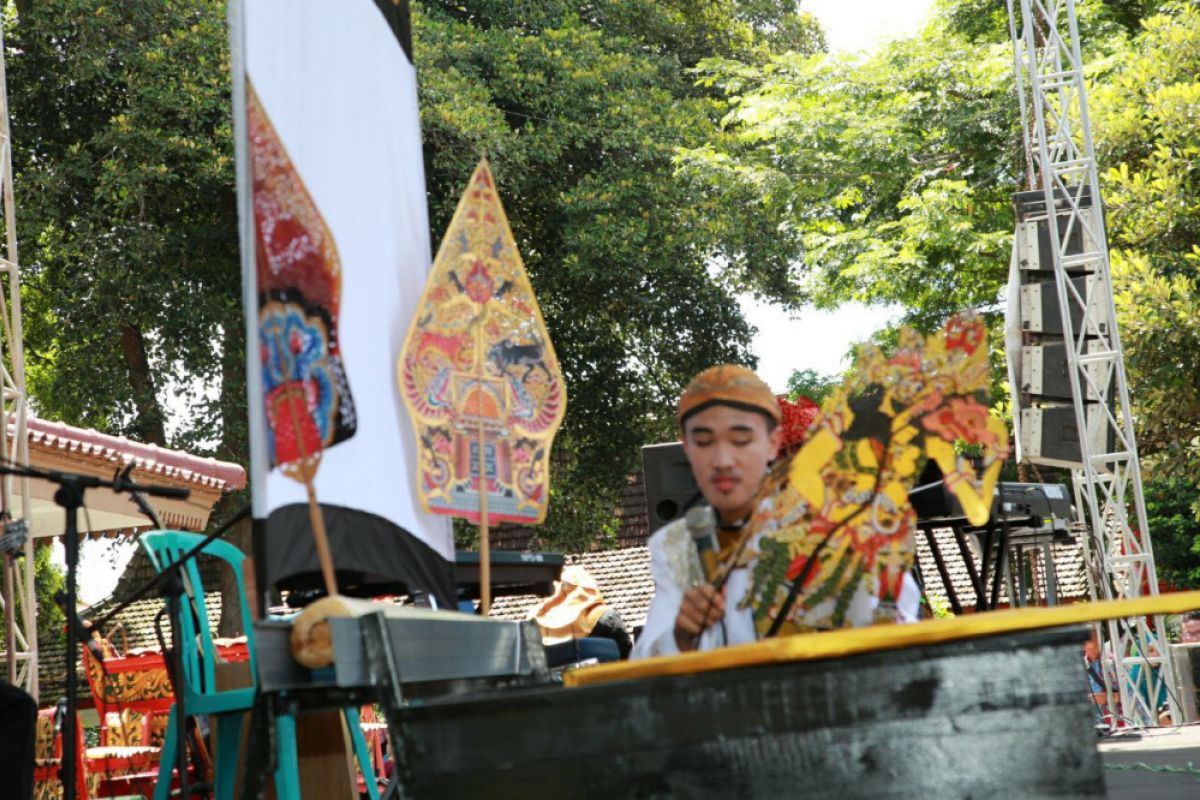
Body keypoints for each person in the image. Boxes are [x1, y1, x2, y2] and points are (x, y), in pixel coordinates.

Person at [631, 365, 783, 658]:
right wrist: (681, 635)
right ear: (686, 447)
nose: (723, 460)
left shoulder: (827, 526)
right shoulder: (677, 544)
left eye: (740, 440)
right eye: (703, 442)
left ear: (773, 443)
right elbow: (643, 662)